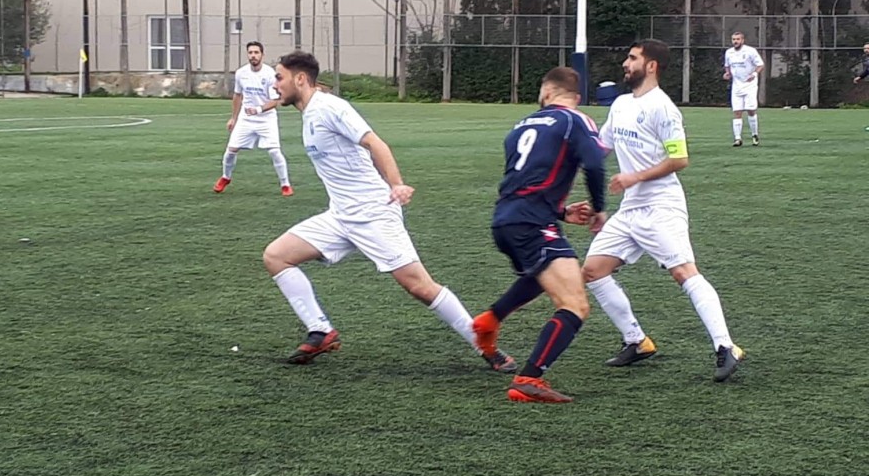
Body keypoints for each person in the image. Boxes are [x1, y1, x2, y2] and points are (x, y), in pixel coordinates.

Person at [262, 51, 516, 372]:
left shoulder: (330, 108)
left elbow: (375, 143)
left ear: (300, 79)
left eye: (279, 77)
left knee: (420, 286)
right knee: (276, 256)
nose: (275, 85)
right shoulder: (311, 111)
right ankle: (321, 331)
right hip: (340, 215)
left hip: (373, 213)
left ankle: (484, 344)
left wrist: (396, 184)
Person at [582, 39, 745, 383]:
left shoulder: (664, 108)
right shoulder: (621, 104)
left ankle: (726, 346)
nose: (625, 63)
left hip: (661, 207)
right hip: (630, 209)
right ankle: (637, 341)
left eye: (632, 58)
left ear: (651, 65)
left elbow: (679, 159)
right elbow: (601, 147)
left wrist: (634, 177)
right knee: (593, 271)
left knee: (684, 273)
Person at [471, 67, 608, 403]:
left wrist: (560, 212)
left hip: (505, 221)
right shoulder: (575, 119)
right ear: (574, 96)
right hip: (532, 223)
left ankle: (489, 321)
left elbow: (524, 181)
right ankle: (529, 379)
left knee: (540, 276)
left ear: (546, 92)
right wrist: (599, 207)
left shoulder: (521, 126)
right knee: (575, 305)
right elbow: (594, 164)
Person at [213, 41, 293, 196]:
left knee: (274, 152)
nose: (253, 56)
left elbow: (275, 101)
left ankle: (285, 184)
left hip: (266, 119)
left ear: (262, 55)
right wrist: (233, 118)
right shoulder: (241, 73)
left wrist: (258, 109)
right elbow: (237, 96)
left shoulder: (269, 74)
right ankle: (225, 177)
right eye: (250, 53)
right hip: (246, 119)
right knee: (230, 151)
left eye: (256, 52)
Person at [723, 31, 765, 147]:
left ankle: (754, 135)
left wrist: (754, 74)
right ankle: (737, 138)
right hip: (737, 86)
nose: (735, 41)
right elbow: (727, 66)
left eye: (737, 39)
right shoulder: (729, 52)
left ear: (742, 40)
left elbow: (760, 64)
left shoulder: (750, 51)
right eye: (733, 39)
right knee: (737, 112)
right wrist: (727, 73)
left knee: (751, 110)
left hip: (750, 86)